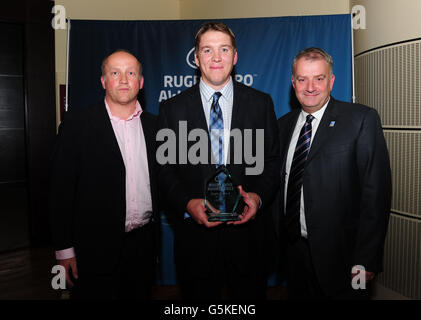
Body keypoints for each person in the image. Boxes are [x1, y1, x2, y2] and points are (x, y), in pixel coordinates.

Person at [157, 22, 280, 300]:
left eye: (224, 49)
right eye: (207, 50)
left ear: (235, 57)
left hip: (248, 237)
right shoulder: (172, 108)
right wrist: (187, 203)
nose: (216, 58)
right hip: (196, 239)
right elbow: (164, 170)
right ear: (196, 58)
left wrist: (258, 197)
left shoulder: (261, 104)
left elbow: (273, 161)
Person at [278, 47, 392, 299]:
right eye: (302, 79)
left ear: (331, 81)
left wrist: (366, 261)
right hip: (294, 253)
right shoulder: (282, 126)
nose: (310, 87)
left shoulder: (361, 120)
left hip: (345, 257)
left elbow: (376, 195)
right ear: (292, 82)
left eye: (318, 78)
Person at [49, 50, 159, 299]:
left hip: (143, 247)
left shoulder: (156, 126)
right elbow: (60, 190)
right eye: (115, 73)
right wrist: (64, 250)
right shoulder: (77, 124)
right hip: (93, 249)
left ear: (140, 83)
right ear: (103, 81)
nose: (123, 79)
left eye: (131, 73)